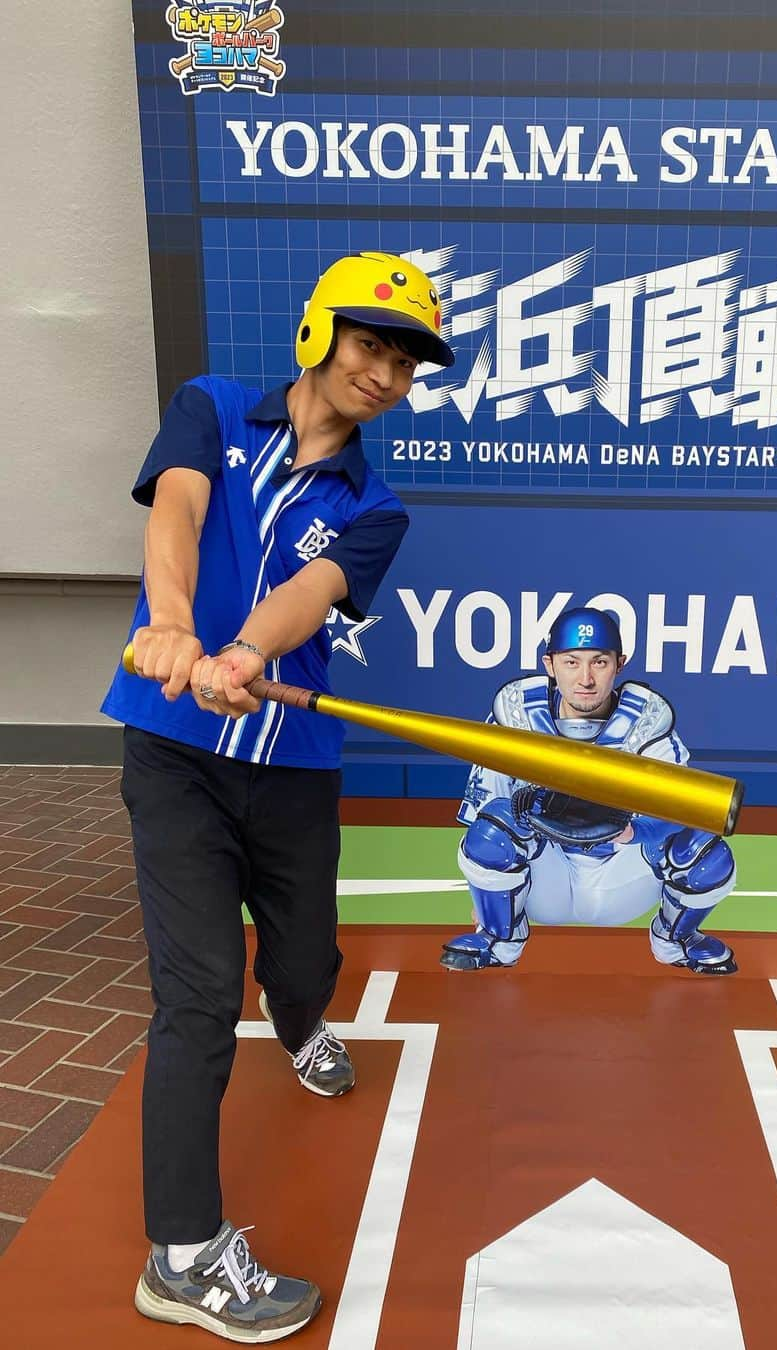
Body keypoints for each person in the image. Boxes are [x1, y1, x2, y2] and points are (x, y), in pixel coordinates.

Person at [101, 252, 454, 1342]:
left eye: (403, 360)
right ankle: (185, 1253)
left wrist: (247, 647)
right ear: (320, 334)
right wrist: (171, 625)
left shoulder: (376, 505)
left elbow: (312, 591)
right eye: (369, 343)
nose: (384, 371)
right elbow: (181, 509)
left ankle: (298, 1022)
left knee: (302, 962)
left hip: (291, 764)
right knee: (199, 992)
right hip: (175, 756)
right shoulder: (210, 406)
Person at [441, 606, 738, 976]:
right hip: (542, 879)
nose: (585, 678)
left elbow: (679, 810)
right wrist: (484, 903)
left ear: (620, 664)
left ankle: (675, 939)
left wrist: (636, 831)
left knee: (706, 851)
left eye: (599, 662)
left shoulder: (645, 721)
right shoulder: (517, 715)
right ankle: (500, 938)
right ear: (549, 664)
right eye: (571, 662)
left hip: (620, 876)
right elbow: (482, 812)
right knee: (494, 828)